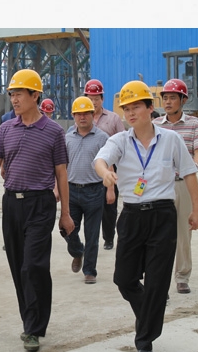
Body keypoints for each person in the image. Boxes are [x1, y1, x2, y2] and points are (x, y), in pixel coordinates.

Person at [93, 80, 198, 352]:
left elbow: (189, 172)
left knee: (156, 281)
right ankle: (150, 315)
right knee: (124, 278)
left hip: (163, 215)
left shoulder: (171, 140)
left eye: (136, 107)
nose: (130, 113)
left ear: (150, 108)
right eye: (126, 109)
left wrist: (196, 210)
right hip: (131, 216)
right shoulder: (119, 141)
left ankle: (144, 340)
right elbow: (100, 160)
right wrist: (106, 173)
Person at [0, 69, 75, 352]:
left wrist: (65, 213)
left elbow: (61, 174)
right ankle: (30, 320)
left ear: (35, 95)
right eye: (12, 94)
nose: (14, 99)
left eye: (19, 94)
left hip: (40, 204)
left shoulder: (54, 132)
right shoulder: (6, 129)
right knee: (19, 266)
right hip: (11, 205)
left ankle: (34, 328)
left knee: (33, 266)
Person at [153, 78, 198, 294]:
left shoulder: (193, 124)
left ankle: (182, 276)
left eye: (172, 97)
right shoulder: (156, 125)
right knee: (159, 234)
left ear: (183, 100)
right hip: (160, 186)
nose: (167, 102)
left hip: (183, 184)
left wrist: (192, 167)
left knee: (183, 232)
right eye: (165, 98)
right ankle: (159, 277)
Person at [65, 96, 110, 284]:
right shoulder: (67, 137)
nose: (82, 117)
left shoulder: (103, 138)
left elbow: (109, 164)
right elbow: (61, 165)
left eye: (86, 113)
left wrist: (110, 189)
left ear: (93, 114)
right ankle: (77, 251)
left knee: (92, 234)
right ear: (74, 116)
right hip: (71, 190)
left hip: (94, 191)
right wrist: (57, 188)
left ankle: (90, 271)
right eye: (78, 114)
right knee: (67, 229)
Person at [84, 79, 126, 251]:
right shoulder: (82, 118)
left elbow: (124, 142)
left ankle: (108, 237)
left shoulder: (114, 119)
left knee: (109, 206)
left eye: (96, 98)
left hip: (109, 170)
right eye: (90, 98)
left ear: (102, 99)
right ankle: (91, 239)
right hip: (89, 172)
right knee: (91, 209)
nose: (93, 102)